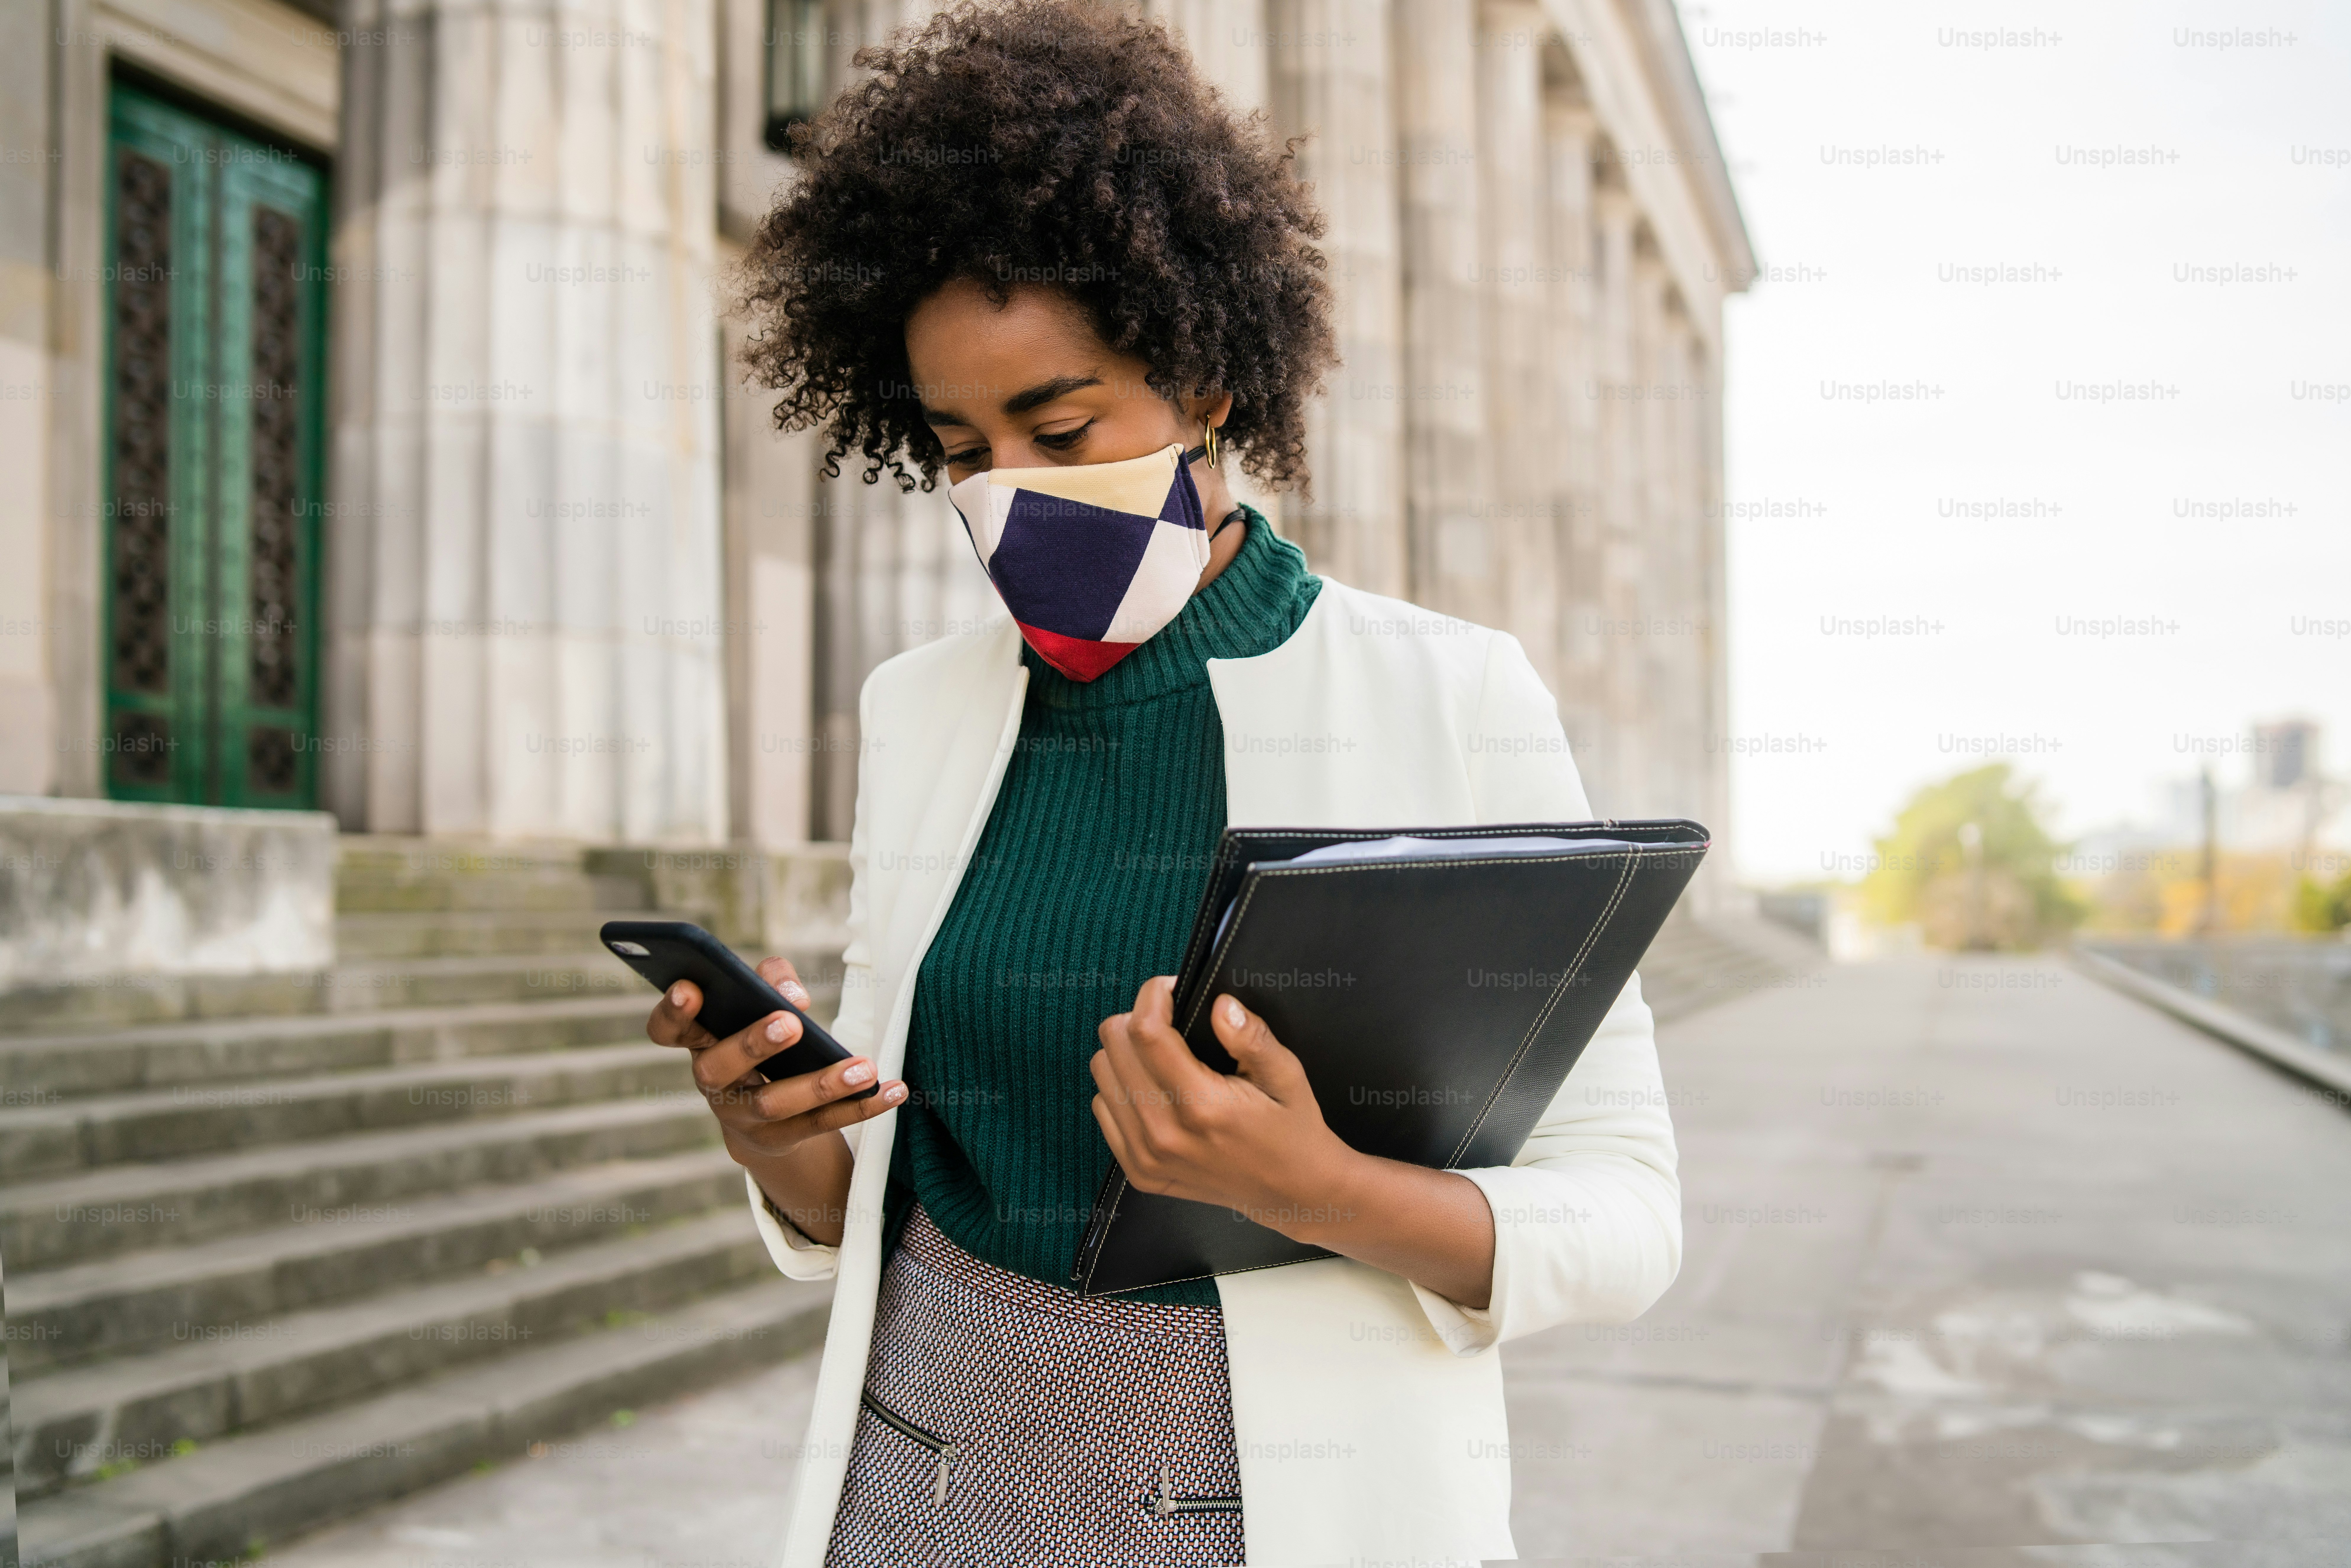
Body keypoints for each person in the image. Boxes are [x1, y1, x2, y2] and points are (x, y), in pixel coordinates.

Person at [642, 3, 1681, 1562]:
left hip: (1270, 1505)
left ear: (1206, 376)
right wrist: (774, 1132)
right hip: (917, 1478)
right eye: (957, 446)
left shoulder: (1447, 698)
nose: (1008, 488)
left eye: (1061, 425)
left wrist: (1321, 1187)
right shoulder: (921, 709)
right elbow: (887, 1171)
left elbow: (1627, 1213)